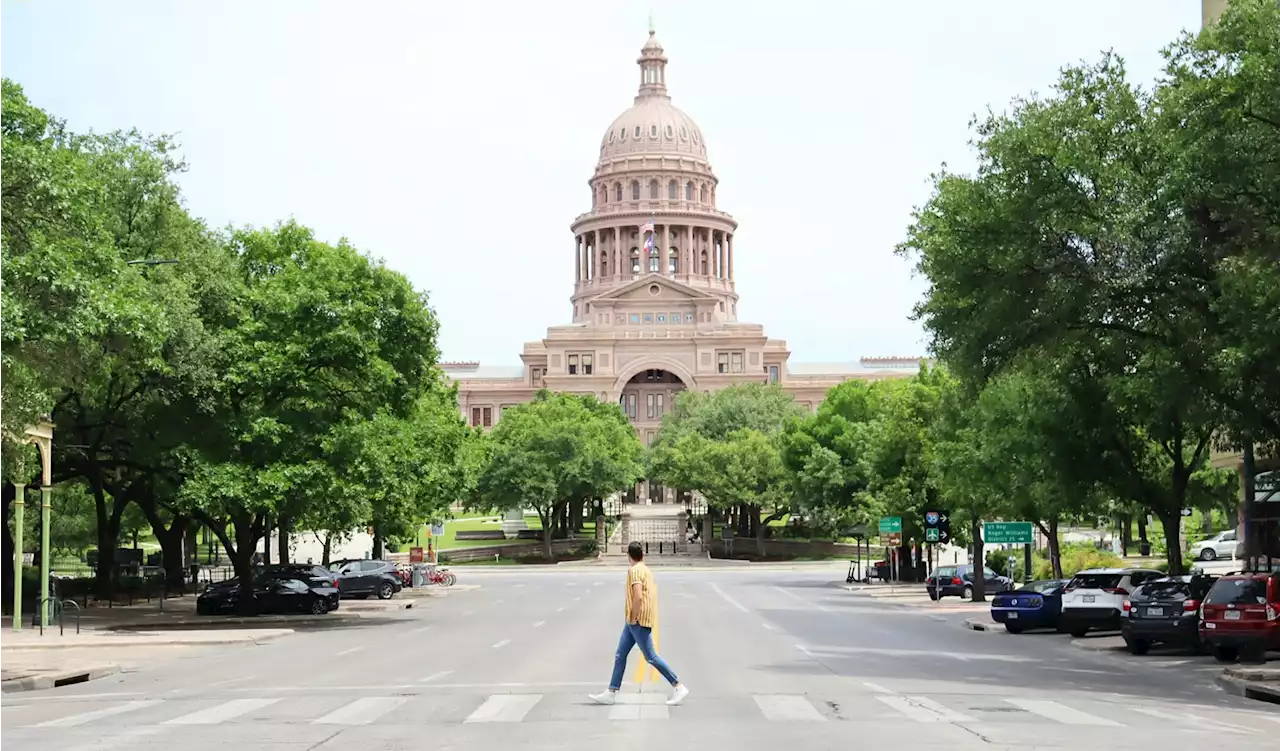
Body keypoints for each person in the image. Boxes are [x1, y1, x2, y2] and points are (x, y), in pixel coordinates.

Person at [589, 541, 689, 707]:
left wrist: (634, 616)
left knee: (651, 657)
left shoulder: (634, 572)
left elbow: (638, 597)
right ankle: (611, 692)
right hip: (635, 620)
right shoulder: (646, 570)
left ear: (628, 556)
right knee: (620, 654)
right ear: (642, 554)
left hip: (637, 620)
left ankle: (678, 685)